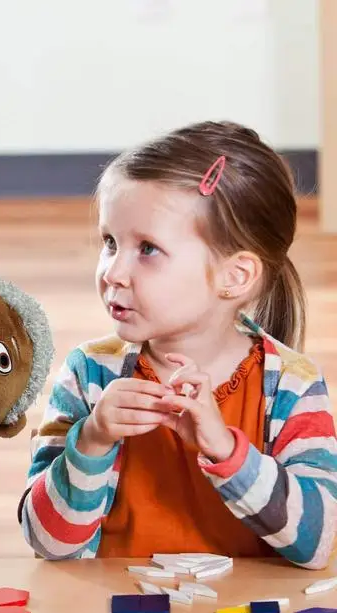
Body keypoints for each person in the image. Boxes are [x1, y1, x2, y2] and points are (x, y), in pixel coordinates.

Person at [19, 121, 337, 566]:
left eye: (147, 249)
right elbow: (47, 543)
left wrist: (226, 450)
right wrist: (91, 440)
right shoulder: (88, 374)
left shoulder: (294, 385)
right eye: (110, 242)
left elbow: (317, 543)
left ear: (235, 276)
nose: (113, 272)